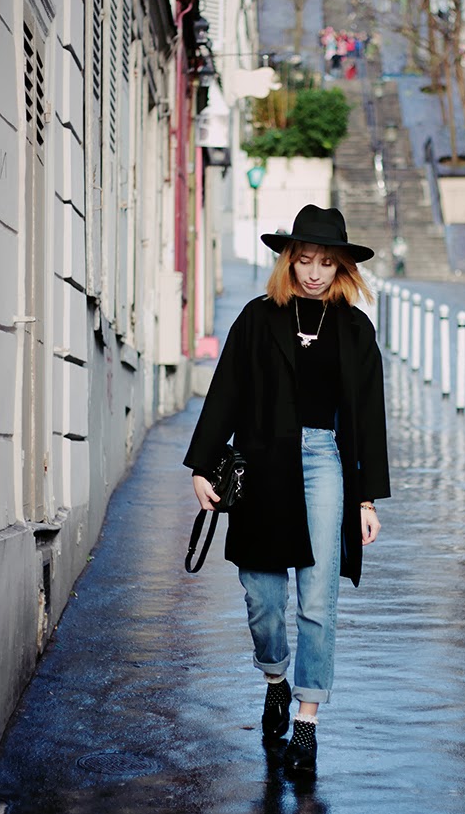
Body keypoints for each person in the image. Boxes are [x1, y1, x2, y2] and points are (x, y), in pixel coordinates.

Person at [183, 205, 390, 776]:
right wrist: (202, 465)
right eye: (305, 260)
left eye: (327, 263)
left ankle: (307, 719)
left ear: (342, 267)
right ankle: (275, 676)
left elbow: (369, 416)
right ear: (289, 261)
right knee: (263, 597)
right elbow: (226, 390)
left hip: (325, 463)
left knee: (317, 598)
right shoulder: (257, 318)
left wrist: (366, 498)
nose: (315, 273)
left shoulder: (355, 329)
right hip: (263, 461)